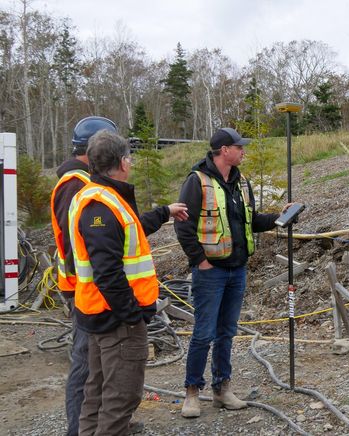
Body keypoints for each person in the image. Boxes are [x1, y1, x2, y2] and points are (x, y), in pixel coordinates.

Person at [69, 130, 188, 435]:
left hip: (99, 315)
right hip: (116, 320)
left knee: (96, 397)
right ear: (123, 161)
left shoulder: (99, 197)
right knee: (120, 399)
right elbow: (107, 272)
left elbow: (129, 230)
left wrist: (165, 212)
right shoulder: (101, 206)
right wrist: (132, 316)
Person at [175, 127, 293, 418]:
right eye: (239, 147)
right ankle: (191, 392)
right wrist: (200, 261)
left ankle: (222, 389)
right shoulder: (197, 182)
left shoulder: (242, 184)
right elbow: (183, 226)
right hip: (210, 272)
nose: (244, 151)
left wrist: (281, 217)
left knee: (226, 333)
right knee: (203, 333)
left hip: (237, 270)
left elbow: (250, 222)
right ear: (224, 150)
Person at [50, 116, 124, 436]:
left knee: (104, 365)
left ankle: (106, 422)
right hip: (86, 292)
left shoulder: (83, 182)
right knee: (85, 366)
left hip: (93, 289)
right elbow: (75, 247)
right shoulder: (75, 185)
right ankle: (76, 430)